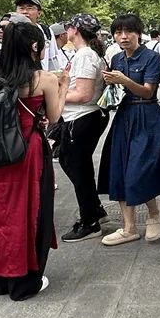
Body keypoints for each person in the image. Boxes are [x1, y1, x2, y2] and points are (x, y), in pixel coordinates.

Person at [0, 21, 68, 300]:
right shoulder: (43, 79)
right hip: (28, 150)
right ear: (34, 46)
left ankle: (0, 278)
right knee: (30, 210)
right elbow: (54, 117)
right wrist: (64, 86)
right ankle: (25, 280)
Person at [97, 14, 160, 246]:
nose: (123, 37)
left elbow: (147, 91)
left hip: (146, 116)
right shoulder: (116, 58)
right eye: (118, 33)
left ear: (138, 34)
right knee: (119, 170)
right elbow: (117, 91)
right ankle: (129, 227)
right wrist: (110, 84)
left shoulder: (151, 57)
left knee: (139, 169)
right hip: (123, 117)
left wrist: (123, 80)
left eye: (129, 32)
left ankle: (154, 213)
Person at [57, 13, 110, 242]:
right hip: (80, 118)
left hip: (83, 117)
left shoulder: (86, 55)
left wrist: (55, 95)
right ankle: (94, 210)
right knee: (74, 164)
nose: (66, 30)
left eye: (68, 26)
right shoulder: (84, 54)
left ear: (75, 30)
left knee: (78, 168)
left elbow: (84, 94)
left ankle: (90, 221)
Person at [13, 0, 64, 72]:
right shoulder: (10, 31)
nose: (25, 12)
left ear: (39, 13)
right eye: (21, 8)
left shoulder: (46, 31)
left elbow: (51, 59)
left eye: (29, 8)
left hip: (41, 77)